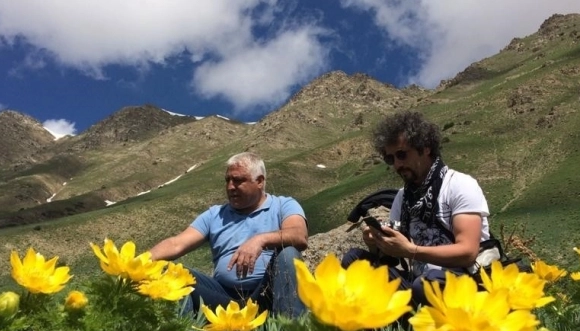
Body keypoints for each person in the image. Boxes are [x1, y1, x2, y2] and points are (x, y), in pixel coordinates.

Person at [342, 111, 491, 307]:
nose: (397, 164)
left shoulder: (459, 185)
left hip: (463, 282)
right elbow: (392, 257)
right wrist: (377, 243)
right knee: (355, 260)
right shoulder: (403, 197)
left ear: (426, 148)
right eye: (390, 159)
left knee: (425, 285)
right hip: (418, 281)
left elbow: (468, 252)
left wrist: (411, 250)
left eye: (402, 155)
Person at [149, 152, 308, 318]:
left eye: (238, 180)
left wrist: (260, 240)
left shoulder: (284, 205)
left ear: (259, 181)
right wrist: (137, 264)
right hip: (222, 297)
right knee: (169, 271)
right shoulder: (215, 215)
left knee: (289, 253)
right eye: (228, 180)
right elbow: (177, 244)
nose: (230, 187)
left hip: (266, 294)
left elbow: (299, 235)